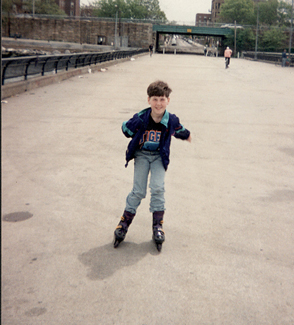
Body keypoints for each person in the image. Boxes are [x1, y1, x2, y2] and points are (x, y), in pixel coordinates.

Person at [113, 80, 192, 251]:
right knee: (138, 191)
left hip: (158, 157)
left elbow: (178, 129)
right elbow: (125, 129)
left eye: (162, 99)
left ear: (168, 101)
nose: (158, 103)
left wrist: (187, 135)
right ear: (148, 100)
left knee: (157, 188)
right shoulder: (141, 118)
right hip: (142, 155)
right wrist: (130, 128)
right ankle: (124, 222)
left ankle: (158, 226)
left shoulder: (170, 119)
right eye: (155, 99)